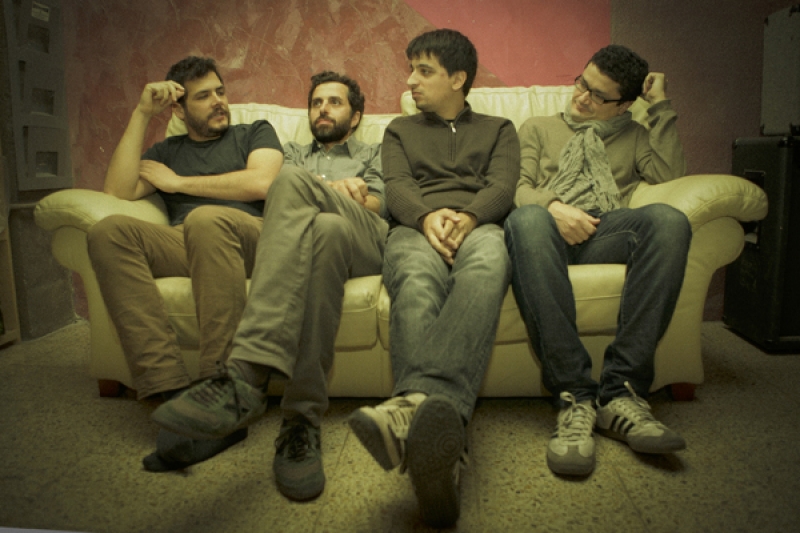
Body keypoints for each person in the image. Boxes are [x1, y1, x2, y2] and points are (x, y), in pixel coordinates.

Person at [151, 71, 389, 502]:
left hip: (367, 239)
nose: (323, 109)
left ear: (355, 117)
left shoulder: (375, 150)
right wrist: (326, 193)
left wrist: (327, 190)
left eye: (334, 102)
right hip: (328, 237)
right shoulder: (291, 152)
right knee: (327, 228)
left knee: (299, 188)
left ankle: (246, 373)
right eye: (316, 102)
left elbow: (377, 204)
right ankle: (301, 421)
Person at [347, 29, 520, 528]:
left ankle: (411, 407)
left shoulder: (500, 128)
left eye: (424, 70)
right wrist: (426, 218)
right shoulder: (399, 130)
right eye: (411, 69)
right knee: (417, 282)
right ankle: (444, 448)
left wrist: (468, 216)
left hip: (480, 224)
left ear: (458, 78)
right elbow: (397, 187)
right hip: (413, 227)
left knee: (488, 263)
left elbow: (503, 186)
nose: (410, 80)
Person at [86, 56, 284, 472]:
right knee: (107, 232)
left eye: (220, 92)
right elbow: (116, 191)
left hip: (249, 236)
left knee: (205, 219)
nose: (219, 101)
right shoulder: (167, 151)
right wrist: (142, 113)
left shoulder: (254, 132)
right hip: (187, 241)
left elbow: (262, 182)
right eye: (204, 96)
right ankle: (170, 391)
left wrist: (177, 184)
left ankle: (225, 395)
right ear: (178, 110)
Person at [504, 44, 692, 477]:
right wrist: (554, 208)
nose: (581, 97)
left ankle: (622, 393)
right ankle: (574, 395)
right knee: (527, 218)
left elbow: (671, 176)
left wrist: (660, 105)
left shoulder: (635, 135)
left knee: (670, 220)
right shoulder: (538, 127)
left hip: (602, 233)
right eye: (581, 83)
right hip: (542, 234)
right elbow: (515, 186)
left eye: (598, 95)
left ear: (624, 104)